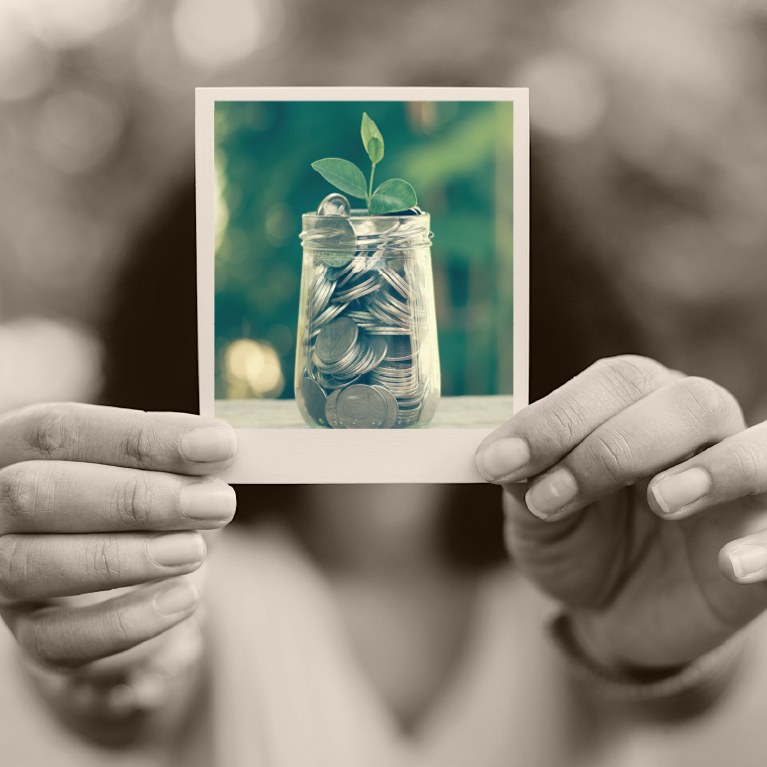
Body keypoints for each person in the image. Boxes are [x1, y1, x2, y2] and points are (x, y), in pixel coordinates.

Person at [2, 182, 767, 767]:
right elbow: (130, 688)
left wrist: (660, 648)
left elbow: (680, 689)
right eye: (334, 272)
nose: (371, 314)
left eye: (399, 275)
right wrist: (105, 668)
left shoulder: (591, 548)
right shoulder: (189, 556)